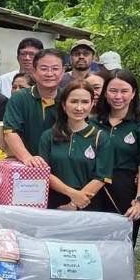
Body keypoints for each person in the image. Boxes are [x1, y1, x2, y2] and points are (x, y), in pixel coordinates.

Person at [90, 69, 140, 232]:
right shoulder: (92, 123)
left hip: (125, 189)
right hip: (93, 189)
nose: (118, 96)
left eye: (124, 91)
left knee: (121, 240)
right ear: (105, 93)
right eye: (113, 91)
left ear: (133, 93)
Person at [40, 80, 114, 210]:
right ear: (64, 104)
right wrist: (72, 194)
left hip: (88, 204)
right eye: (74, 101)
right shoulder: (48, 136)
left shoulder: (101, 137)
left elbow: (101, 177)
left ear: (92, 104)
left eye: (85, 102)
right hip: (54, 204)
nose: (79, 108)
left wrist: (74, 204)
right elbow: (44, 172)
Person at [1, 48, 67, 162]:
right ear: (34, 71)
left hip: (62, 164)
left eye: (55, 69)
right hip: (27, 164)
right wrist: (28, 158)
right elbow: (10, 133)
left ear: (63, 71)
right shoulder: (19, 98)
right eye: (44, 69)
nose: (49, 74)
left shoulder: (69, 98)